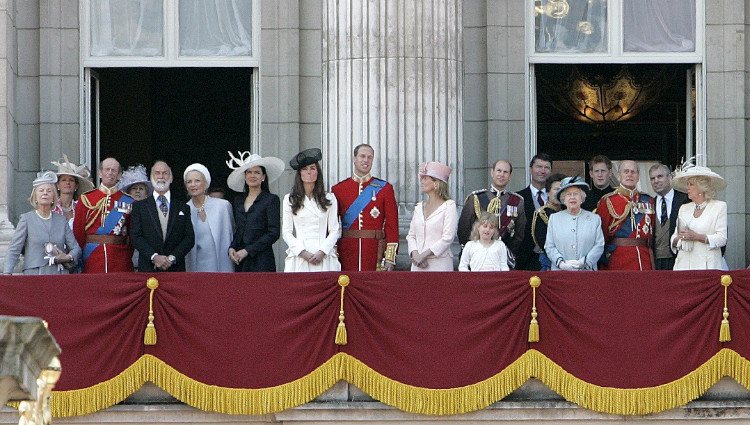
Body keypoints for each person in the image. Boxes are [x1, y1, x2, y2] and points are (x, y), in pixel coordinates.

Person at [332, 144, 399, 271]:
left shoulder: (385, 189)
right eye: (362, 156)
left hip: (375, 251)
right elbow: (332, 224)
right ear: (354, 158)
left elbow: (392, 225)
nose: (366, 160)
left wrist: (390, 257)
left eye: (370, 157)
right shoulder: (338, 189)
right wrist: (333, 251)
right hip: (347, 251)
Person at [4, 171, 81, 275]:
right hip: (34, 274)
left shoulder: (61, 220)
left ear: (54, 197)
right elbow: (14, 249)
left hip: (59, 274)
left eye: (49, 191)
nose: (45, 193)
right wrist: (7, 273)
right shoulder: (26, 219)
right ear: (35, 197)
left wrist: (68, 257)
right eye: (41, 191)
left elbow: (76, 248)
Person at [282, 149, 341, 272]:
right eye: (304, 169)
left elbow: (335, 230)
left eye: (312, 168)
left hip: (324, 256)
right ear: (299, 174)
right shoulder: (290, 199)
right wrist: (302, 252)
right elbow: (286, 232)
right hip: (300, 257)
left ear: (318, 172)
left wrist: (322, 252)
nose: (309, 172)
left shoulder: (329, 198)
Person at [457, 159, 525, 267]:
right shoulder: (476, 198)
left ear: (510, 176)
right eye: (499, 171)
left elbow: (520, 234)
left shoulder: (517, 201)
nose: (501, 174)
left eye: (505, 172)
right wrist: (473, 251)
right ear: (492, 172)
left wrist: (509, 253)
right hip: (477, 257)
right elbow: (464, 229)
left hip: (504, 257)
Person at [130, 161, 195, 272]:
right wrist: (154, 257)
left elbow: (189, 238)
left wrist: (171, 258)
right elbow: (135, 236)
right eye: (157, 173)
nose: (161, 176)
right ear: (151, 177)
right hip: (148, 269)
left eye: (165, 173)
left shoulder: (183, 207)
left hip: (175, 269)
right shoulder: (139, 206)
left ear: (171, 178)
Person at [73, 157, 135, 273]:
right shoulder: (87, 198)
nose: (110, 173)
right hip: (93, 257)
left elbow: (131, 236)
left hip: (120, 259)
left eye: (114, 170)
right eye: (107, 169)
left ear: (119, 175)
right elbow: (78, 233)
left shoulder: (129, 201)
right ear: (100, 173)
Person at [226, 151, 284, 272]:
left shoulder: (271, 200)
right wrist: (232, 247)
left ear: (263, 177)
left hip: (262, 259)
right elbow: (239, 230)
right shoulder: (238, 200)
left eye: (257, 172)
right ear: (245, 176)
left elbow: (274, 232)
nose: (253, 175)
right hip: (240, 259)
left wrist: (248, 251)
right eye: (249, 172)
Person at [596, 160, 655, 270]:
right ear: (619, 176)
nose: (629, 174)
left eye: (633, 172)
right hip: (617, 259)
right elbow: (601, 235)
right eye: (626, 171)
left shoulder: (648, 200)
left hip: (643, 259)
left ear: (638, 177)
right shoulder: (608, 201)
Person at [670, 164, 727, 270]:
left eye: (691, 184)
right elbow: (674, 238)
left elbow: (722, 239)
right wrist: (681, 237)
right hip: (684, 267)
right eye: (687, 184)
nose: (688, 188)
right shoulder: (684, 208)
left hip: (708, 267)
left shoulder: (719, 206)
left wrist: (697, 237)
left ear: (701, 188)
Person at [545, 176, 604, 271]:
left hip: (586, 272)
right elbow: (549, 246)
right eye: (568, 194)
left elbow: (599, 245)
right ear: (563, 199)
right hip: (560, 273)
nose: (572, 197)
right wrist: (561, 263)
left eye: (576, 194)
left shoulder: (594, 219)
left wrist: (584, 262)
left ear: (582, 198)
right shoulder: (554, 219)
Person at [407, 162, 457, 271]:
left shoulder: (449, 206)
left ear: (436, 183)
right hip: (417, 265)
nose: (422, 181)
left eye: (425, 178)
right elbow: (411, 235)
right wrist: (415, 254)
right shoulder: (419, 207)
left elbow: (447, 237)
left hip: (439, 264)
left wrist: (424, 255)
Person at [184, 163, 235, 272]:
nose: (193, 184)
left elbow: (233, 234)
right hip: (195, 268)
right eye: (189, 181)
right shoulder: (184, 209)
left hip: (221, 265)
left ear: (206, 183)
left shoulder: (223, 206)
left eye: (197, 181)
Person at [649, 163, 689, 270]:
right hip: (655, 262)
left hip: (679, 258)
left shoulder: (685, 200)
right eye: (652, 178)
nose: (656, 181)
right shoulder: (649, 203)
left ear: (670, 177)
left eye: (660, 176)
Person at [517, 153, 553, 270]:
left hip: (553, 259)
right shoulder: (518, 198)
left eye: (546, 167)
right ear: (530, 169)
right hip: (525, 259)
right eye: (539, 166)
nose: (542, 171)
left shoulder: (558, 198)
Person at [118, 164, 152, 271]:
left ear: (146, 194)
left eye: (141, 188)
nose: (137, 191)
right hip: (125, 259)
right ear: (127, 193)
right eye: (134, 188)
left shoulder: (152, 211)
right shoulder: (119, 211)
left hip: (147, 259)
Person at [531, 173, 566, 271]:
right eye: (556, 189)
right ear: (547, 192)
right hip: (549, 262)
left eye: (562, 189)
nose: (559, 192)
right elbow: (543, 242)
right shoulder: (542, 213)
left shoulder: (568, 212)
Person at [50, 155, 94, 229]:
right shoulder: (50, 207)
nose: (67, 183)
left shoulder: (81, 208)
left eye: (71, 180)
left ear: (76, 186)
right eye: (63, 180)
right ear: (57, 185)